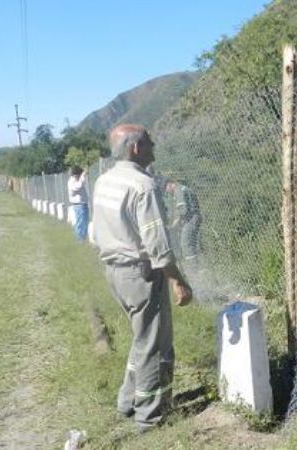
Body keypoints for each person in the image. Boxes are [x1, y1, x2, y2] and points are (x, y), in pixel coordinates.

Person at [92, 124, 193, 434]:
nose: (154, 147)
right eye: (150, 143)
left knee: (140, 338)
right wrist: (178, 279)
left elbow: (96, 231)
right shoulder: (142, 186)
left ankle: (127, 401)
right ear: (135, 148)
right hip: (140, 274)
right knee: (153, 345)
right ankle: (149, 417)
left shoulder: (104, 181)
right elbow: (157, 245)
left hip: (114, 272)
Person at [163, 180, 201, 272]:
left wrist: (173, 225)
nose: (167, 191)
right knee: (192, 243)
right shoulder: (183, 188)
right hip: (194, 217)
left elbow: (182, 211)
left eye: (166, 188)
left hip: (191, 219)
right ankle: (197, 266)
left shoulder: (179, 191)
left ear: (170, 184)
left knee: (186, 243)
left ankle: (194, 269)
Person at [67, 166, 89, 241]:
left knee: (84, 223)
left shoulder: (77, 180)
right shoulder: (72, 181)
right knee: (80, 223)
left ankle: (83, 238)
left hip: (82, 205)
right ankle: (80, 239)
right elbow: (78, 186)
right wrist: (83, 176)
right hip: (79, 205)